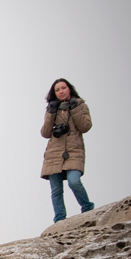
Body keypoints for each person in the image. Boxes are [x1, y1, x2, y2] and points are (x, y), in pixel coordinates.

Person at [40, 78, 95, 223]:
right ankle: (60, 220)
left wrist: (75, 109)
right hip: (54, 152)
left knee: (74, 181)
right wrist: (51, 113)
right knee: (56, 190)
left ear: (69, 88)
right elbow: (45, 133)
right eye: (57, 90)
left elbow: (85, 127)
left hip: (74, 150)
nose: (61, 92)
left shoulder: (80, 105)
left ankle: (87, 208)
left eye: (63, 88)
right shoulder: (52, 108)